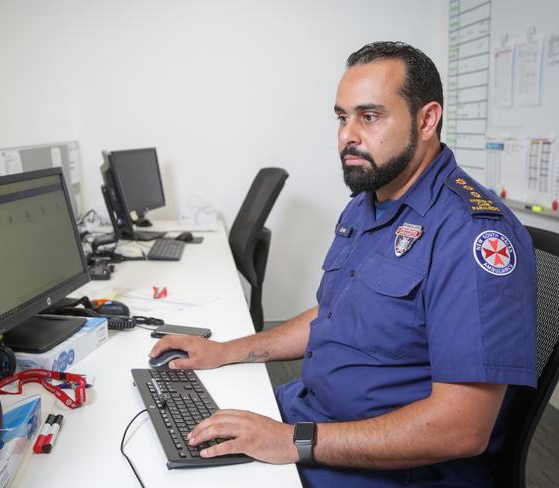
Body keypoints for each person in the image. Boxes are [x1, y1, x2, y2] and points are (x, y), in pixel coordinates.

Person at [149, 41, 537, 487]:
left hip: (389, 469)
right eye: (342, 117)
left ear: (427, 120)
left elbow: (462, 428)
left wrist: (291, 441)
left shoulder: (470, 235)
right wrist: (226, 351)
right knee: (165, 441)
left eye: (369, 117)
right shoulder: (370, 200)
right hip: (313, 416)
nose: (347, 135)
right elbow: (336, 312)